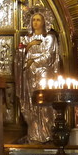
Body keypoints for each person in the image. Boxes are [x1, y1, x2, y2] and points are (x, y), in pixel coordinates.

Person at [15, 9, 60, 144]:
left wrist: (32, 60)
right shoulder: (27, 39)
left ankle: (47, 134)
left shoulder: (49, 38)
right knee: (31, 102)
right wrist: (27, 48)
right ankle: (34, 133)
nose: (35, 22)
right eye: (33, 20)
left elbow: (49, 57)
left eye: (38, 19)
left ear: (44, 22)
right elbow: (19, 58)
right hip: (29, 74)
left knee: (44, 102)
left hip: (44, 74)